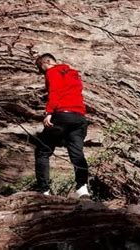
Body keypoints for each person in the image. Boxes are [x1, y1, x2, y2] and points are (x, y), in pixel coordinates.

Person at [34, 53, 90, 198]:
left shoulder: (52, 72)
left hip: (62, 115)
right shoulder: (73, 74)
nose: (42, 72)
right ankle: (82, 189)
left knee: (42, 151)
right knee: (77, 153)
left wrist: (49, 112)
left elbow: (55, 91)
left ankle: (44, 191)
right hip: (79, 118)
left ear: (48, 61)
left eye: (41, 67)